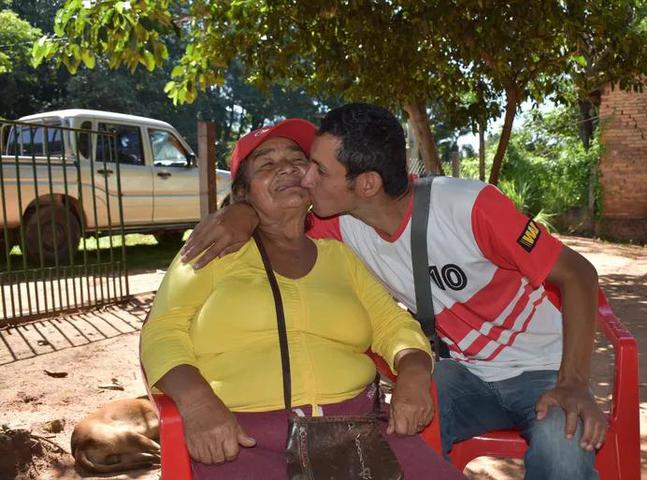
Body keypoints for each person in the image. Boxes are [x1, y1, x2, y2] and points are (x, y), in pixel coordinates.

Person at [181, 103, 608, 480]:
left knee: (563, 452)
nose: (305, 179)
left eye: (320, 170)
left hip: (543, 370)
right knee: (395, 437)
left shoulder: (471, 207)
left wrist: (572, 382)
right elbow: (275, 217)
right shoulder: (335, 223)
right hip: (459, 372)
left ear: (366, 185)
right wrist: (241, 213)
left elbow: (580, 275)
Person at [140, 118, 466, 480]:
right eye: (266, 164)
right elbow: (163, 331)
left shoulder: (340, 256)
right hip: (243, 438)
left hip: (360, 432)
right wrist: (198, 404)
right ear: (243, 193)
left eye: (298, 160)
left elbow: (394, 326)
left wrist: (416, 372)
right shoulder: (212, 250)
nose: (287, 169)